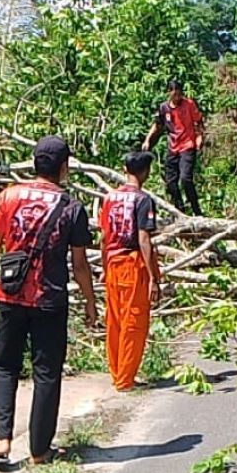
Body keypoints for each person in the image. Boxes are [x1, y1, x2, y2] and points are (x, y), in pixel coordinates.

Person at [0, 136, 97, 466]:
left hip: (9, 294)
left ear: (34, 162)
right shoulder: (72, 208)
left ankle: (2, 440)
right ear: (64, 167)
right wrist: (91, 303)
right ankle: (40, 451)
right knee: (46, 373)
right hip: (50, 299)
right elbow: (79, 265)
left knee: (5, 365)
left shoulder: (9, 196)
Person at [99, 150, 161, 391]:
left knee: (114, 320)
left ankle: (117, 373)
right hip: (132, 264)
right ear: (145, 172)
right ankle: (125, 379)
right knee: (134, 320)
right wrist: (154, 277)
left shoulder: (109, 198)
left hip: (112, 264)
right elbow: (144, 239)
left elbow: (104, 237)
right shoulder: (143, 200)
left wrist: (104, 267)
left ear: (125, 169)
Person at [142, 79, 205, 216]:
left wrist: (199, 137)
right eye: (174, 94)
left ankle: (196, 209)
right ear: (169, 93)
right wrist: (147, 140)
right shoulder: (164, 108)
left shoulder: (189, 104)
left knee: (185, 178)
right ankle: (180, 210)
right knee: (170, 182)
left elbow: (198, 121)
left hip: (188, 145)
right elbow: (157, 125)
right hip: (173, 147)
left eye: (179, 94)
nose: (177, 97)